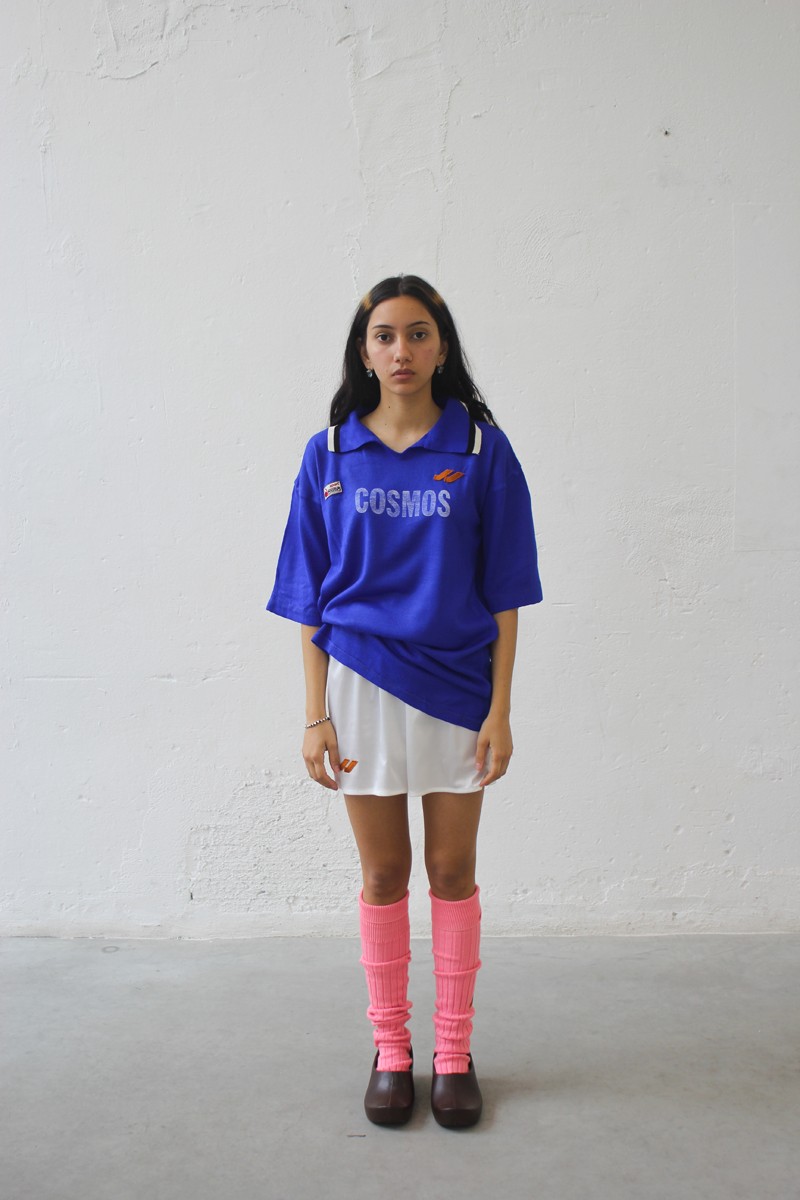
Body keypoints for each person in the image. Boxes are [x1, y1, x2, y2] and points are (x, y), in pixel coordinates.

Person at [266, 274, 543, 1129]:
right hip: (359, 685)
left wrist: (501, 710)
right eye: (384, 336)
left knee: (452, 872)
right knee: (384, 874)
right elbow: (309, 596)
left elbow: (506, 593)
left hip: (459, 688)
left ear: (442, 346)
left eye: (418, 334)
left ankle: (453, 1053)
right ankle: (392, 1050)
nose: (401, 351)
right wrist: (314, 713)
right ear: (363, 352)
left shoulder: (483, 450)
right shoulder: (328, 454)